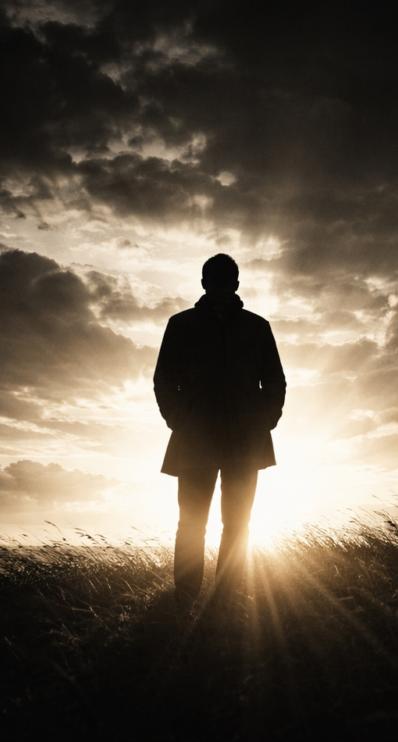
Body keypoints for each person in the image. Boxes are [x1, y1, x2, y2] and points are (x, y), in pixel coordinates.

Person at [153, 254, 286, 603]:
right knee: (199, 524)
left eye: (226, 282)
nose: (224, 289)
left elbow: (274, 380)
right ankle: (189, 598)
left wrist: (265, 420)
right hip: (199, 439)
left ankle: (224, 598)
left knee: (233, 524)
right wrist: (178, 420)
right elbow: (164, 380)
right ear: (206, 285)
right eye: (220, 282)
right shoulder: (182, 325)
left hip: (242, 440)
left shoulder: (256, 327)